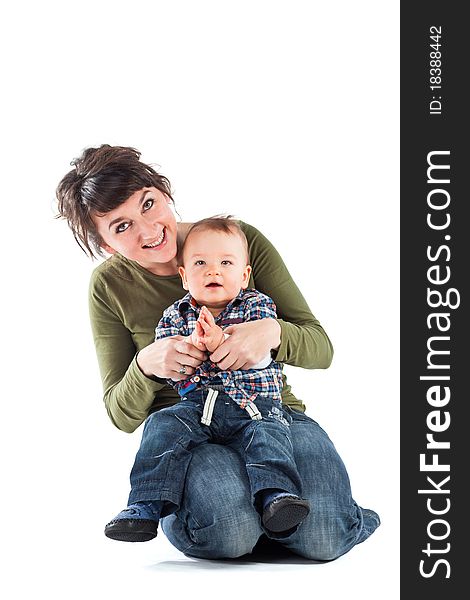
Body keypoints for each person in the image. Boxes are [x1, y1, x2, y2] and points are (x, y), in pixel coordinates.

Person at [56, 144, 380, 560]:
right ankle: (236, 517)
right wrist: (146, 365)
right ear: (104, 245)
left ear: (165, 192)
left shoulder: (235, 240)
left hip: (269, 412)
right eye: (121, 227)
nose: (149, 230)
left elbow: (321, 349)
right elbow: (121, 415)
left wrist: (271, 332)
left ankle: (319, 516)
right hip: (189, 428)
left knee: (325, 538)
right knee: (231, 533)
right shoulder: (109, 286)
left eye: (149, 204)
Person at [104, 216, 310, 542]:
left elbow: (260, 359)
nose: (213, 271)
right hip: (201, 406)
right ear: (185, 277)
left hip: (253, 403)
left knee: (268, 436)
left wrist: (219, 343)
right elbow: (172, 369)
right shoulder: (175, 315)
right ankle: (144, 504)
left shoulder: (257, 306)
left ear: (244, 276)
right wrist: (187, 349)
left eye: (225, 263)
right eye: (200, 263)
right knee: (162, 427)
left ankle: (276, 496)